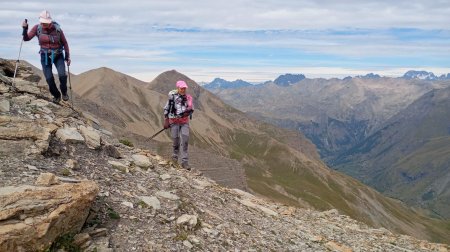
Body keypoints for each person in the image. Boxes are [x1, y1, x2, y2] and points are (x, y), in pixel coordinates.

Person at [22, 10, 71, 103]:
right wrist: (25, 29)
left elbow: (65, 43)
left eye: (46, 23)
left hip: (58, 55)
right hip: (45, 56)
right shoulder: (37, 28)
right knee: (49, 78)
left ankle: (64, 92)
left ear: (50, 22)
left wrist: (67, 56)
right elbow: (26, 38)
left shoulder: (57, 29)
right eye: (43, 23)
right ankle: (56, 95)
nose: (44, 24)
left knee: (62, 75)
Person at [163, 80, 194, 170]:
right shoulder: (172, 98)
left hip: (184, 122)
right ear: (178, 88)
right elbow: (166, 108)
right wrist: (166, 120)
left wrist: (187, 113)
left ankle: (184, 162)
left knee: (185, 140)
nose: (183, 90)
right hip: (173, 121)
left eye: (184, 88)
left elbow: (191, 108)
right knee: (176, 140)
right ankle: (175, 158)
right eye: (182, 88)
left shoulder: (188, 98)